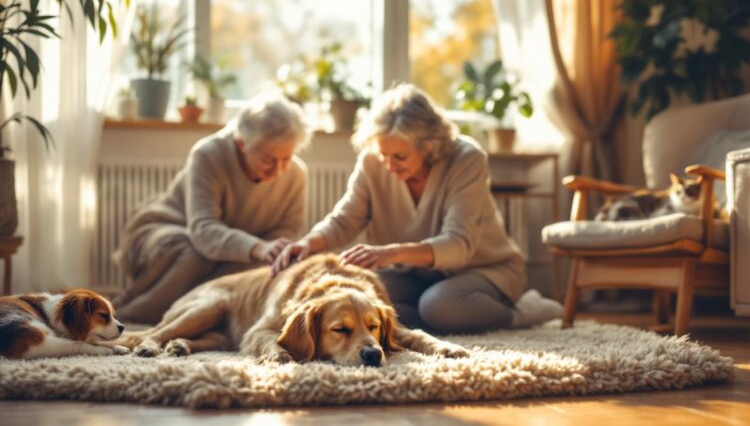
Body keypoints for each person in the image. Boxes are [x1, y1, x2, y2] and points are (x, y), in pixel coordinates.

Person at [273, 84, 562, 334]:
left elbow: (459, 244)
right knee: (361, 295)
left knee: (439, 307)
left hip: (484, 270)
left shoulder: (466, 158)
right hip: (415, 275)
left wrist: (388, 253)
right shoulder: (374, 160)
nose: (388, 164)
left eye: (399, 156)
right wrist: (308, 243)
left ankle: (523, 312)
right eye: (383, 154)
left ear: (428, 146)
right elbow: (345, 220)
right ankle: (430, 315)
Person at [113, 92, 310, 324]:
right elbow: (203, 231)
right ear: (242, 144)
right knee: (199, 254)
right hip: (171, 233)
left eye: (286, 158)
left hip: (236, 252)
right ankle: (135, 313)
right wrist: (257, 247)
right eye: (268, 159)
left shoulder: (297, 174)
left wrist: (266, 250)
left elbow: (285, 232)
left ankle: (197, 314)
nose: (278, 170)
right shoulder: (209, 154)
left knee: (259, 267)